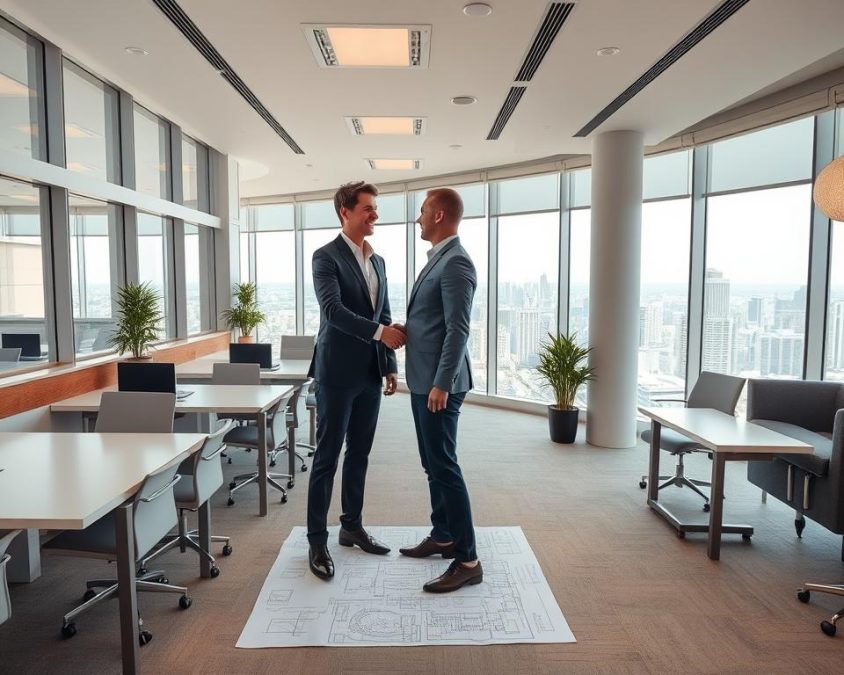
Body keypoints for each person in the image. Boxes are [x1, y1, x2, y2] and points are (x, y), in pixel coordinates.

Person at [306, 181, 406, 580]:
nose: (375, 214)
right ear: (345, 212)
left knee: (360, 453)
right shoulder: (325, 257)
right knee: (327, 457)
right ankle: (317, 540)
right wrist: (382, 335)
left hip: (369, 372)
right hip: (336, 373)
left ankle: (351, 526)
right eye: (368, 208)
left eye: (375, 208)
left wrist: (390, 364)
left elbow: (384, 314)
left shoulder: (377, 261)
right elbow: (333, 312)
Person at [398, 187, 482, 592]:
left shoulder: (456, 263)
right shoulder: (440, 260)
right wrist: (406, 329)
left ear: (439, 215)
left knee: (445, 467)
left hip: (438, 385)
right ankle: (444, 535)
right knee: (433, 463)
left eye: (423, 210)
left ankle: (468, 560)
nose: (417, 218)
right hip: (425, 379)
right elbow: (433, 320)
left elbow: (458, 330)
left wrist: (441, 384)